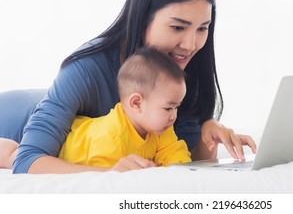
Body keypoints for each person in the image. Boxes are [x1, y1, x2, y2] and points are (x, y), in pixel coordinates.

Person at [0, 0, 256, 174]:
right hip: (11, 120)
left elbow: (181, 160)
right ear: (143, 17)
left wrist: (206, 136)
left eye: (202, 29)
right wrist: (108, 172)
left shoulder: (183, 70)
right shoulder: (86, 69)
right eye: (177, 27)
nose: (191, 44)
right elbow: (26, 159)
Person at [0, 47, 191, 171]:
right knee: (12, 155)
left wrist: (181, 170)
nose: (174, 116)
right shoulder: (112, 138)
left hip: (84, 126)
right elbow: (101, 179)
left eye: (176, 107)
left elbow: (174, 152)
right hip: (64, 142)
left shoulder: (160, 127)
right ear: (137, 103)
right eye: (168, 108)